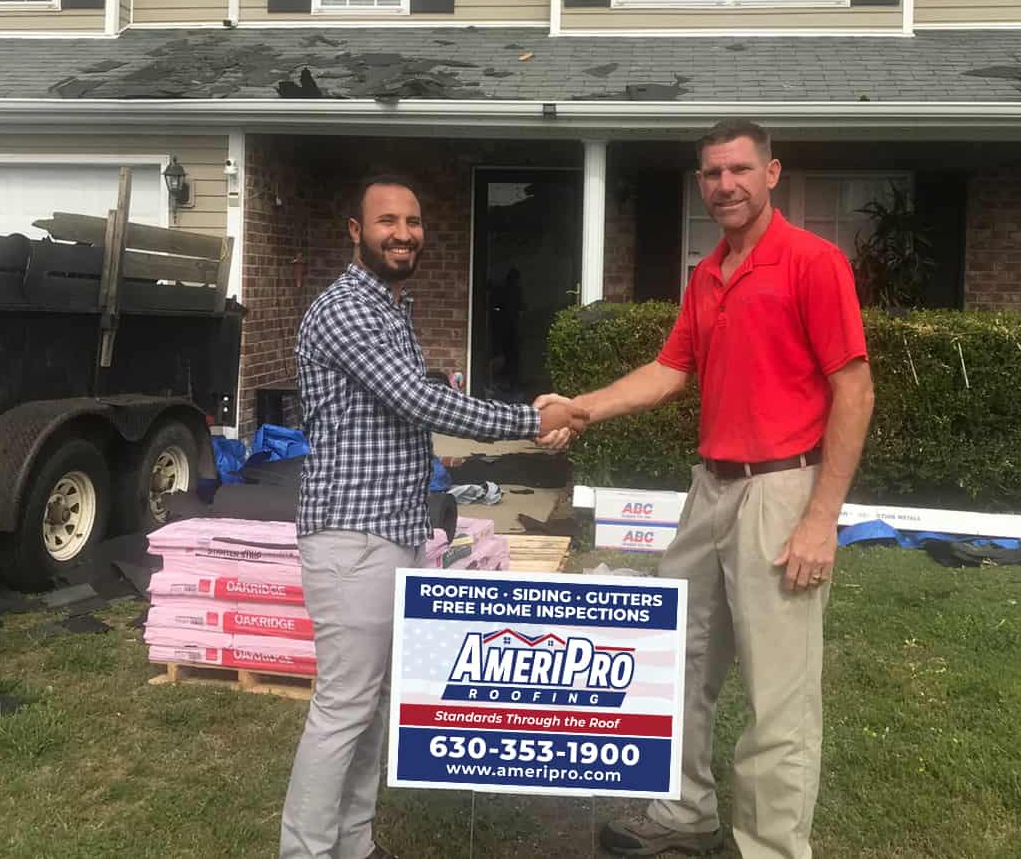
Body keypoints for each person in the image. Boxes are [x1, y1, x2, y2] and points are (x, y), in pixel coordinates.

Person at [557, 121, 875, 859]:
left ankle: (769, 845)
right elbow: (669, 371)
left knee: (778, 691)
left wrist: (820, 519)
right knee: (684, 659)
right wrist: (583, 407)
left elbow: (853, 391)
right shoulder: (708, 274)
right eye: (711, 174)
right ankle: (683, 814)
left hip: (782, 492)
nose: (724, 185)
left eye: (738, 169)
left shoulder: (812, 262)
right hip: (711, 489)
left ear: (772, 174)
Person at [280, 173, 587, 859]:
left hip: (386, 533)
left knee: (369, 709)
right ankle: (304, 851)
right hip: (349, 538)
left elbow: (409, 405)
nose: (404, 233)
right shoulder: (346, 310)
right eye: (387, 220)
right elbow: (420, 404)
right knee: (343, 711)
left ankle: (354, 845)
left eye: (413, 221)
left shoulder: (390, 307)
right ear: (355, 231)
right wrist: (533, 420)